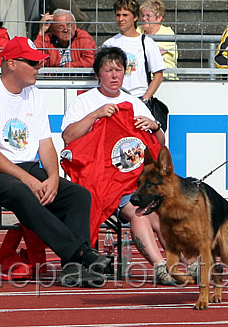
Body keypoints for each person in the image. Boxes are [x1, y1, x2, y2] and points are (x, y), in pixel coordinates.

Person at [0, 36, 111, 287]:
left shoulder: (34, 95)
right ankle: (80, 254)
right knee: (22, 191)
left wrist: (53, 177)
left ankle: (73, 269)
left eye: (39, 62)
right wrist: (30, 179)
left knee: (78, 195)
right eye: (32, 63)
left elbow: (45, 144)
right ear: (11, 64)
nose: (38, 67)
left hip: (24, 168)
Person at [61, 46, 178, 283]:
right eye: (108, 70)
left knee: (161, 212)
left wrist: (154, 126)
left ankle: (181, 262)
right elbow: (68, 137)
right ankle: (161, 265)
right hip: (103, 181)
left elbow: (159, 144)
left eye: (119, 70)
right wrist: (97, 115)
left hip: (135, 179)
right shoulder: (85, 102)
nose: (114, 75)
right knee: (140, 213)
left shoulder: (133, 102)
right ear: (98, 74)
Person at [102, 0, 166, 102]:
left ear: (135, 17)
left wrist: (145, 99)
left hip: (138, 98)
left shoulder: (147, 43)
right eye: (118, 15)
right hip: (114, 100)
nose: (120, 19)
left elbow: (158, 75)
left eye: (125, 15)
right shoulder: (109, 44)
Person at [137, 0, 178, 74]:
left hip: (166, 78)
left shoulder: (167, 33)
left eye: (148, 16)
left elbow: (154, 53)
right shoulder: (138, 30)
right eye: (142, 15)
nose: (143, 19)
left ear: (159, 18)